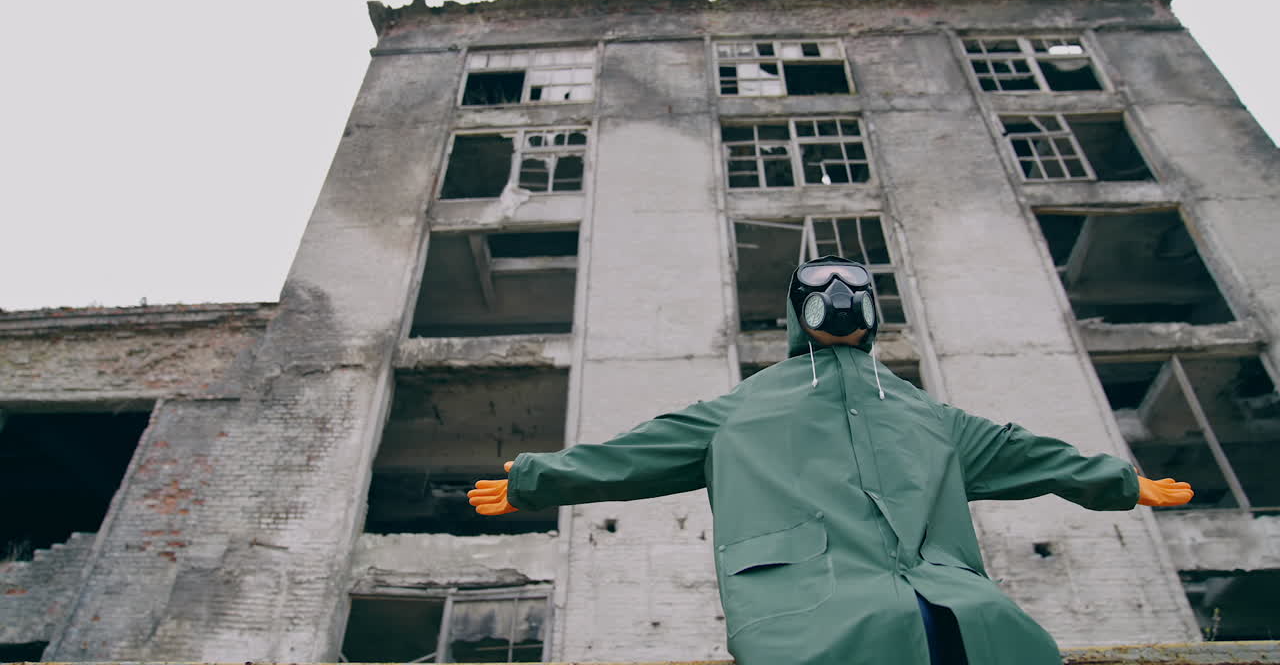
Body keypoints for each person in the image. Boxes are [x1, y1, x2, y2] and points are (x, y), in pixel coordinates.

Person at [468, 255, 1193, 665]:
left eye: (855, 288)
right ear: (797, 311)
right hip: (807, 617)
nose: (841, 299)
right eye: (821, 290)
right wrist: (538, 479)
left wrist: (1120, 482)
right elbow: (638, 453)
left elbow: (1023, 451)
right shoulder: (743, 407)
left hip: (950, 610)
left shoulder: (924, 414)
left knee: (1013, 638)